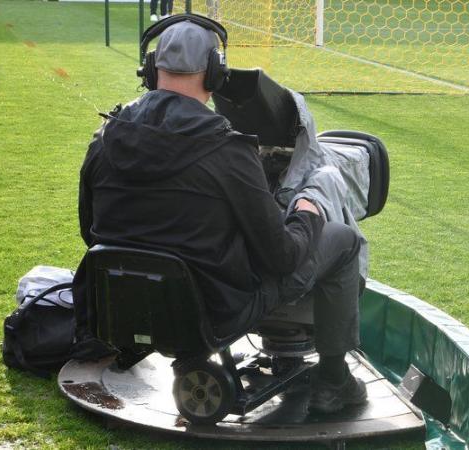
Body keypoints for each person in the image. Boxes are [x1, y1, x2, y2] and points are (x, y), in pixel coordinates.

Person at [71, 19, 366, 414]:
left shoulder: (103, 138)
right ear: (214, 73)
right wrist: (307, 211)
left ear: (151, 69)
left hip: (121, 309)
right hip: (216, 313)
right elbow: (282, 258)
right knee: (344, 242)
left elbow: (91, 234)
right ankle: (334, 381)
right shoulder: (228, 150)